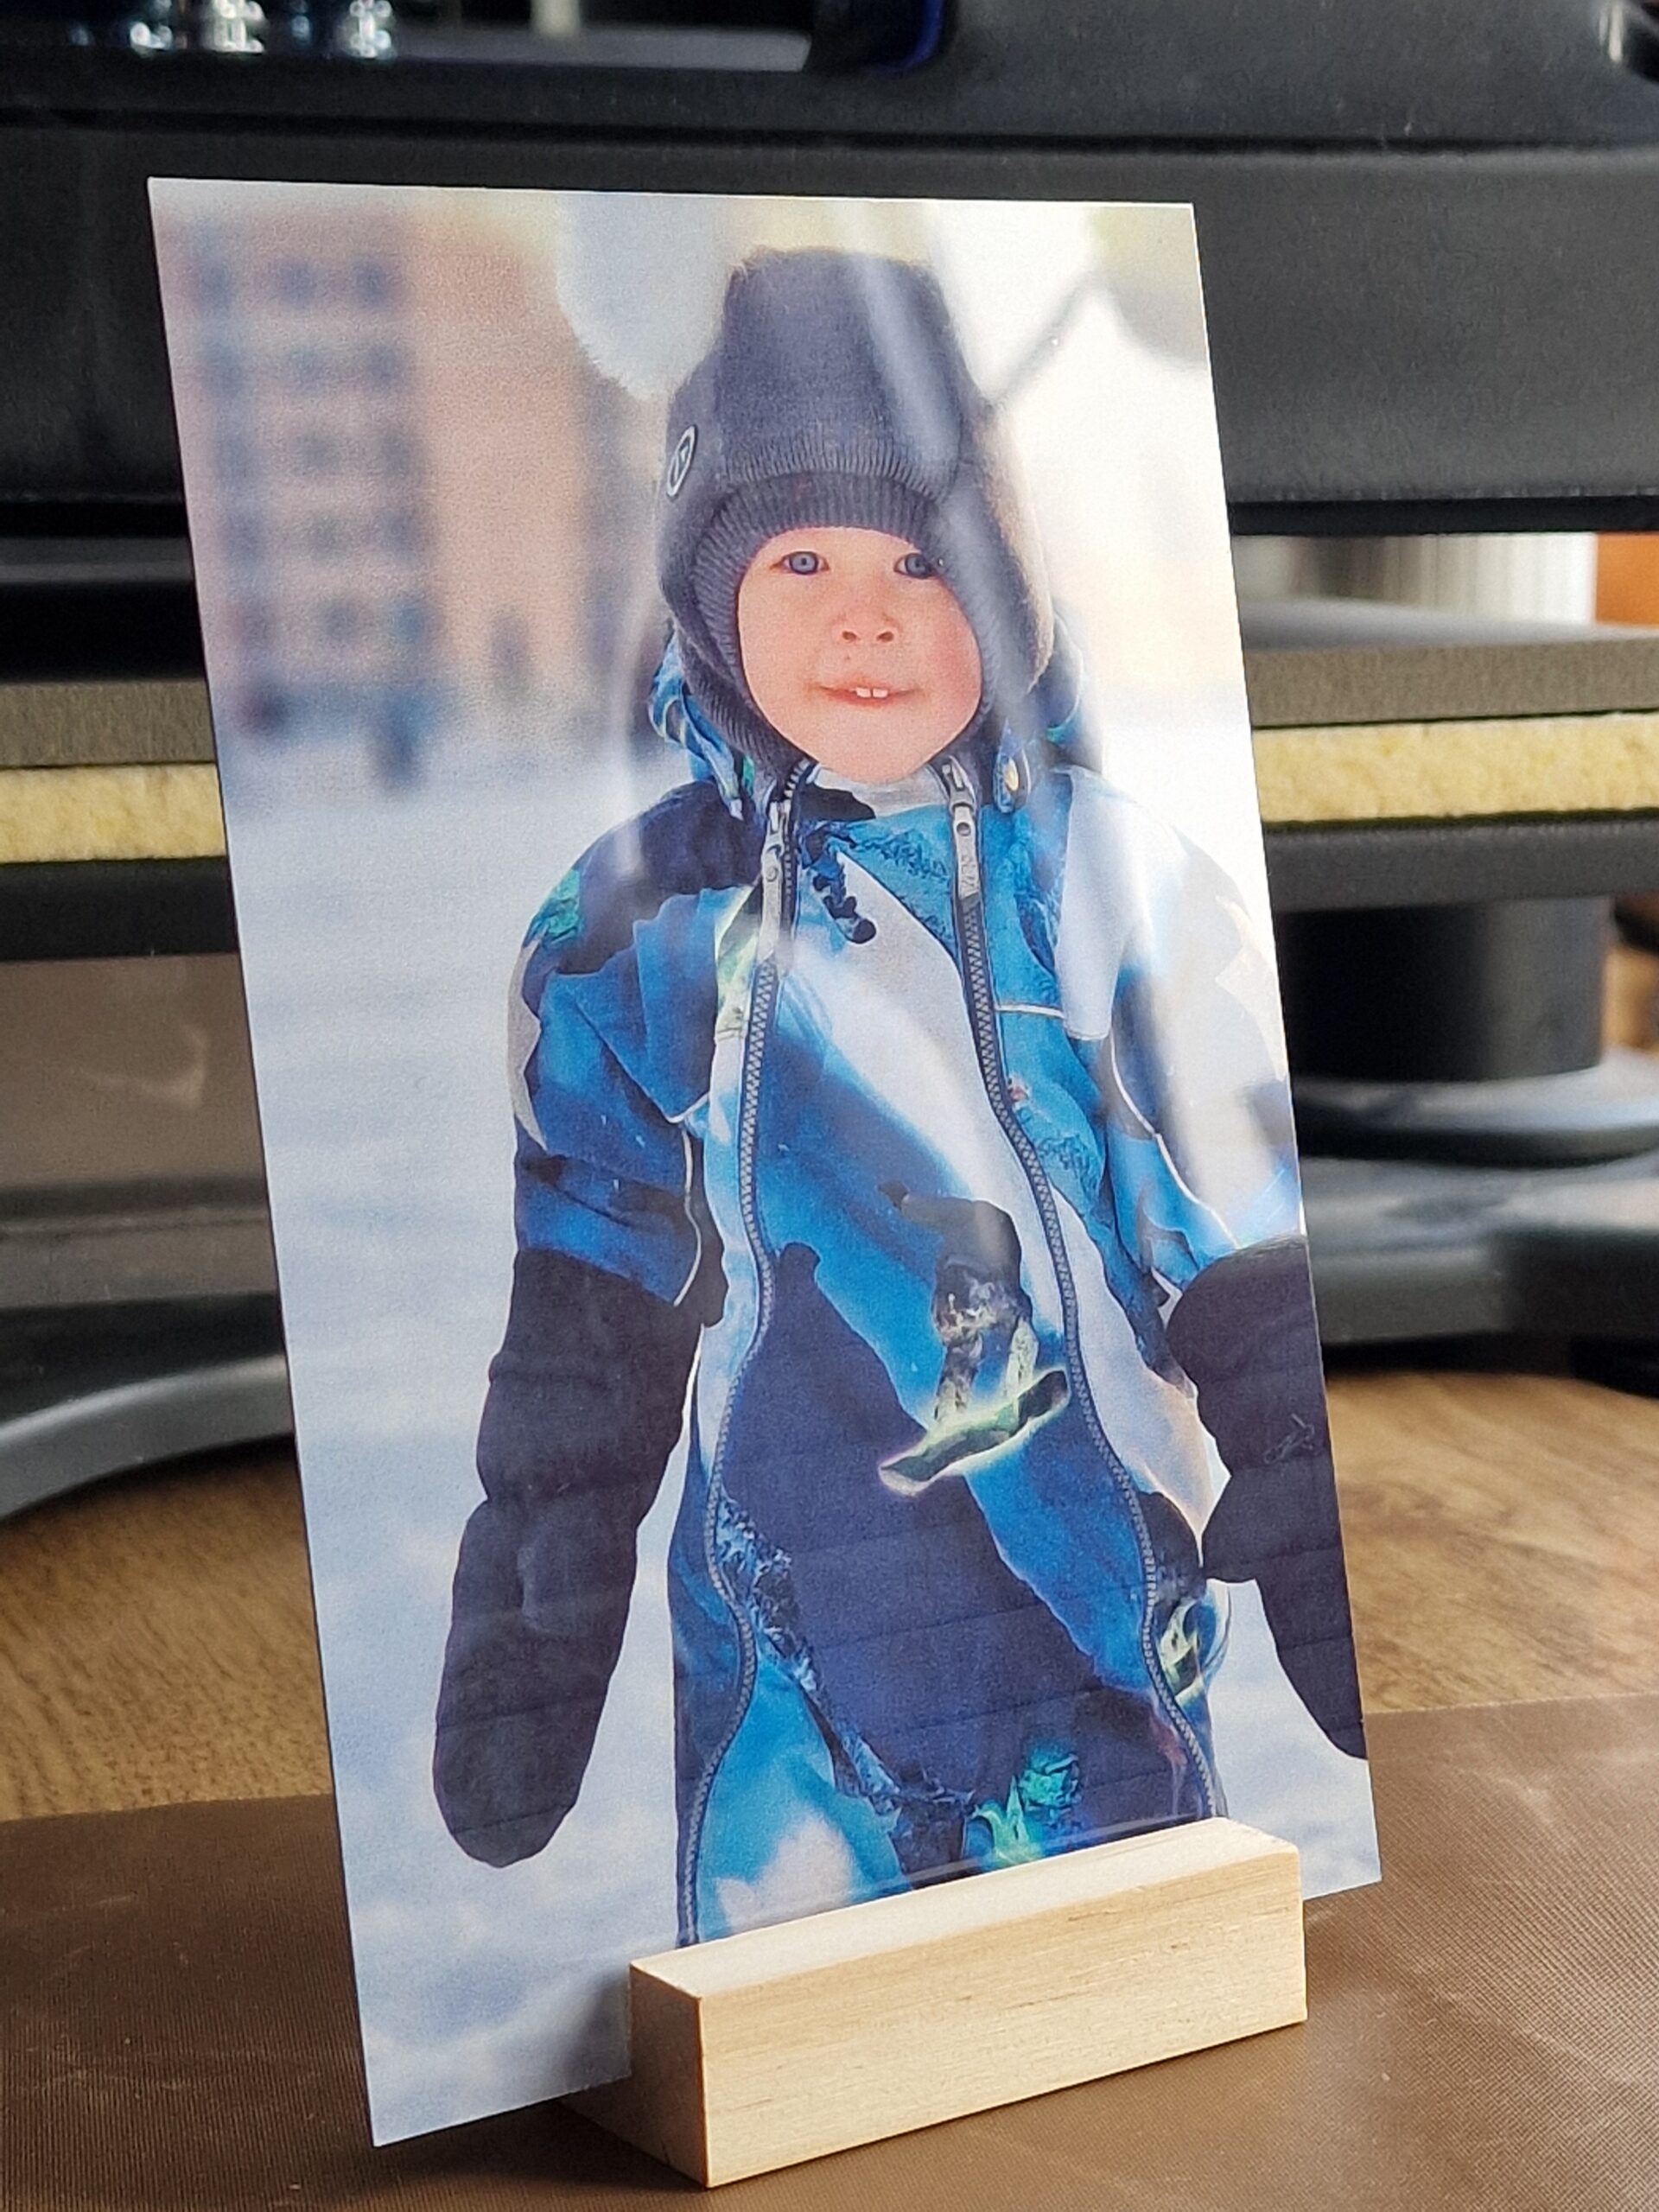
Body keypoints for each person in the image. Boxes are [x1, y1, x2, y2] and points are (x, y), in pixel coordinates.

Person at [434, 249, 1364, 1942]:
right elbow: (587, 1311)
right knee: (809, 2001)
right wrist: (537, 1588)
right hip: (787, 1680)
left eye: (920, 561)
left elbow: (1235, 1227)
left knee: (1109, 1978)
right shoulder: (633, 933)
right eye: (800, 559)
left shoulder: (1108, 883)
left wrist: (1300, 1456)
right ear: (709, 593)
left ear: (1003, 594)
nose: (862, 614)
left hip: (1094, 1627)